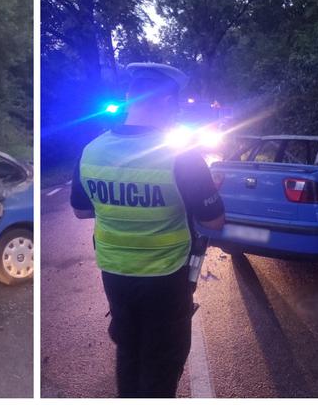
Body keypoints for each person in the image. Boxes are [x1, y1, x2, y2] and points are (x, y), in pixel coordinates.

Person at [70, 62, 225, 398]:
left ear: (129, 98)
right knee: (161, 361)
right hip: (166, 278)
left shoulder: (91, 151)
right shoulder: (181, 155)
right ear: (168, 103)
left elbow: (82, 210)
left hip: (115, 274)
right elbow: (213, 221)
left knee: (128, 350)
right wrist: (210, 187)